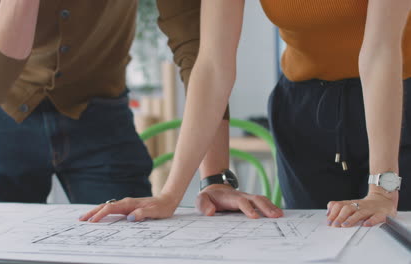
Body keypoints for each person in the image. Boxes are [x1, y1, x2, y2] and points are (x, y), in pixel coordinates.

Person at [82, 0, 411, 227]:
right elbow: (213, 66)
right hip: (305, 111)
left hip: (397, 100)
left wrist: (383, 189)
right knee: (321, 242)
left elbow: (381, 51)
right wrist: (171, 194)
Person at [0, 0, 281, 212]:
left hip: (100, 112)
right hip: (0, 112)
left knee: (134, 238)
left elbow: (200, 53)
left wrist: (214, 178)